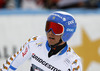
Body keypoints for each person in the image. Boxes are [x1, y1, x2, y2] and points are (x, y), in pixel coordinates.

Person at [0, 11, 82, 71]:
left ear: (67, 33)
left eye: (56, 29)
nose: (50, 32)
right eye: (48, 26)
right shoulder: (35, 42)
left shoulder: (73, 62)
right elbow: (12, 63)